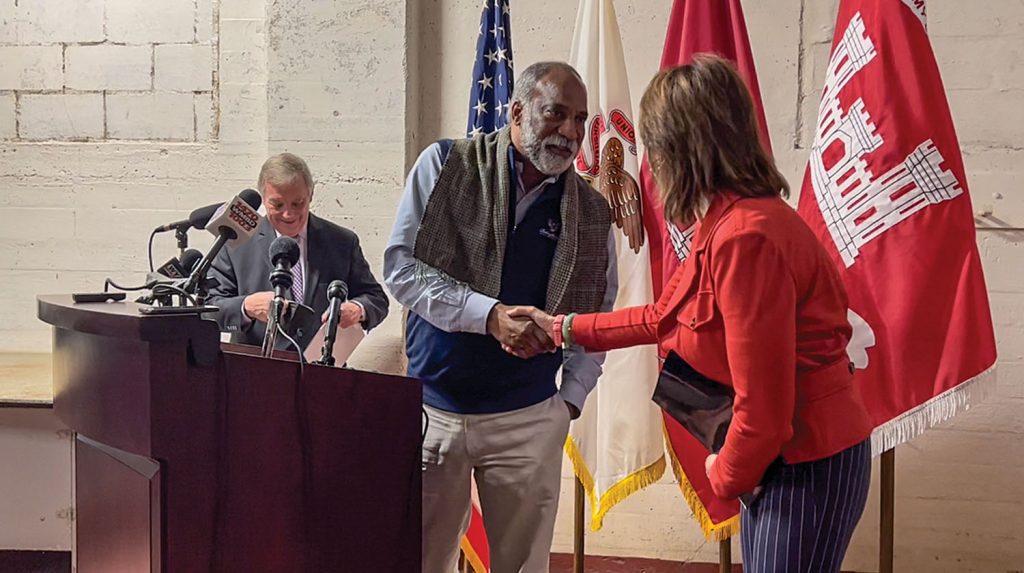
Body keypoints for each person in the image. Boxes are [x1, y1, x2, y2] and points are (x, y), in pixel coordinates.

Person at [514, 55, 873, 573]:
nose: (651, 165)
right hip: (786, 463)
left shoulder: (747, 238)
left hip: (801, 463)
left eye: (654, 145)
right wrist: (562, 327)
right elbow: (663, 317)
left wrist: (723, 474)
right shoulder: (727, 222)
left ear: (683, 147)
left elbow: (765, 409)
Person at [383, 61, 618, 572]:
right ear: (516, 111)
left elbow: (597, 315)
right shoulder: (445, 165)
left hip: (528, 420)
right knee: (418, 560)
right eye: (556, 113)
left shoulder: (592, 213)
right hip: (432, 414)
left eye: (580, 120)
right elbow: (400, 270)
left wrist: (569, 405)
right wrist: (488, 316)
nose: (571, 133)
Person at [208, 152, 389, 350]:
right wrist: (246, 307)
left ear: (311, 195)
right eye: (277, 204)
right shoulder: (236, 241)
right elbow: (210, 309)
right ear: (263, 199)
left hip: (322, 369)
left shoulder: (341, 241)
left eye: (298, 203)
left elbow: (376, 299)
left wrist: (357, 309)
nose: (288, 213)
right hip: (255, 370)